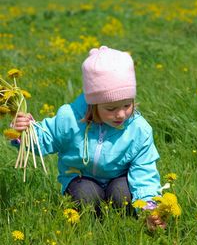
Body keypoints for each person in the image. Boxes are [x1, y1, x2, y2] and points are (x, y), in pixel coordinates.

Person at [13, 45, 165, 229]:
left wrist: (149, 207)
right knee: (86, 195)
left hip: (119, 178)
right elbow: (45, 139)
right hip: (81, 178)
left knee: (122, 195)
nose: (121, 115)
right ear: (93, 104)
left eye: (127, 105)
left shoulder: (138, 130)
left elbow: (145, 171)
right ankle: (90, 223)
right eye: (111, 109)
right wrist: (26, 132)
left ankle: (123, 223)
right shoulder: (70, 119)